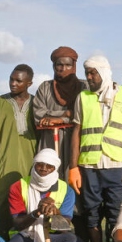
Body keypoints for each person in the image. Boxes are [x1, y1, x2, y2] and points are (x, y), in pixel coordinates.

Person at [68, 55, 122, 242]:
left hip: (117, 166)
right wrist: (73, 167)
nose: (89, 77)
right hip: (89, 167)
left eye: (93, 73)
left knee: (117, 216)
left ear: (104, 72)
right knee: (91, 215)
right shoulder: (83, 97)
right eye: (87, 73)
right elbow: (77, 132)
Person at [4, 149, 85, 242]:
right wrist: (37, 212)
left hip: (55, 237)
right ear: (34, 165)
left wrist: (56, 213)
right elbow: (18, 224)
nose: (44, 169)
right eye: (40, 164)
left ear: (55, 169)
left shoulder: (66, 190)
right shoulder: (18, 186)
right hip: (27, 236)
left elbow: (65, 227)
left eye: (49, 166)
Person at [0, 64, 38, 237]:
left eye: (18, 81)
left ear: (29, 83)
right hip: (4, 164)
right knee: (1, 205)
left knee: (29, 203)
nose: (13, 83)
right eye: (11, 79)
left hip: (31, 164)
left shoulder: (38, 103)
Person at [32, 46, 87, 177]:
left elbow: (86, 114)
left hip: (77, 139)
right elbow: (38, 114)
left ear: (74, 66)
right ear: (53, 66)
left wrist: (60, 120)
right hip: (50, 140)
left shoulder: (84, 87)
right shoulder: (45, 88)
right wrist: (66, 113)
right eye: (59, 65)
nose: (63, 69)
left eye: (68, 65)